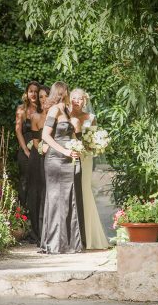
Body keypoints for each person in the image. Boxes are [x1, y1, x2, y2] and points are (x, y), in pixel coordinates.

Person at [40, 81, 85, 254]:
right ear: (62, 91)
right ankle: (54, 243)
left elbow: (72, 135)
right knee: (56, 200)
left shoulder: (66, 110)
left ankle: (68, 244)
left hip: (68, 160)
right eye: (67, 91)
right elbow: (45, 136)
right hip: (55, 160)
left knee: (67, 200)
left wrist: (76, 148)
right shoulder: (55, 110)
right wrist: (65, 151)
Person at [70, 88, 109, 249]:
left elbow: (93, 139)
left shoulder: (91, 117)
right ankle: (74, 234)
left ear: (85, 101)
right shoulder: (66, 116)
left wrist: (93, 144)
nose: (77, 101)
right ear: (70, 99)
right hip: (69, 156)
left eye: (80, 99)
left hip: (85, 157)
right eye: (74, 98)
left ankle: (90, 235)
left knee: (85, 189)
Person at [26, 84, 50, 243]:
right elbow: (36, 142)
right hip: (38, 158)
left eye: (45, 96)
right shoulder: (35, 117)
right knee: (38, 194)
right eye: (40, 97)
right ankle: (38, 232)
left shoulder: (58, 116)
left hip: (54, 158)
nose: (42, 100)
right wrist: (44, 152)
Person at [15, 81, 41, 208]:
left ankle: (37, 211)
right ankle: (22, 213)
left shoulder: (42, 109)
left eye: (36, 91)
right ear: (27, 93)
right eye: (31, 91)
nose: (34, 94)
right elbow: (18, 130)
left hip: (39, 148)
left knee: (38, 180)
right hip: (25, 147)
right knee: (24, 179)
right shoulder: (21, 109)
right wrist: (25, 149)